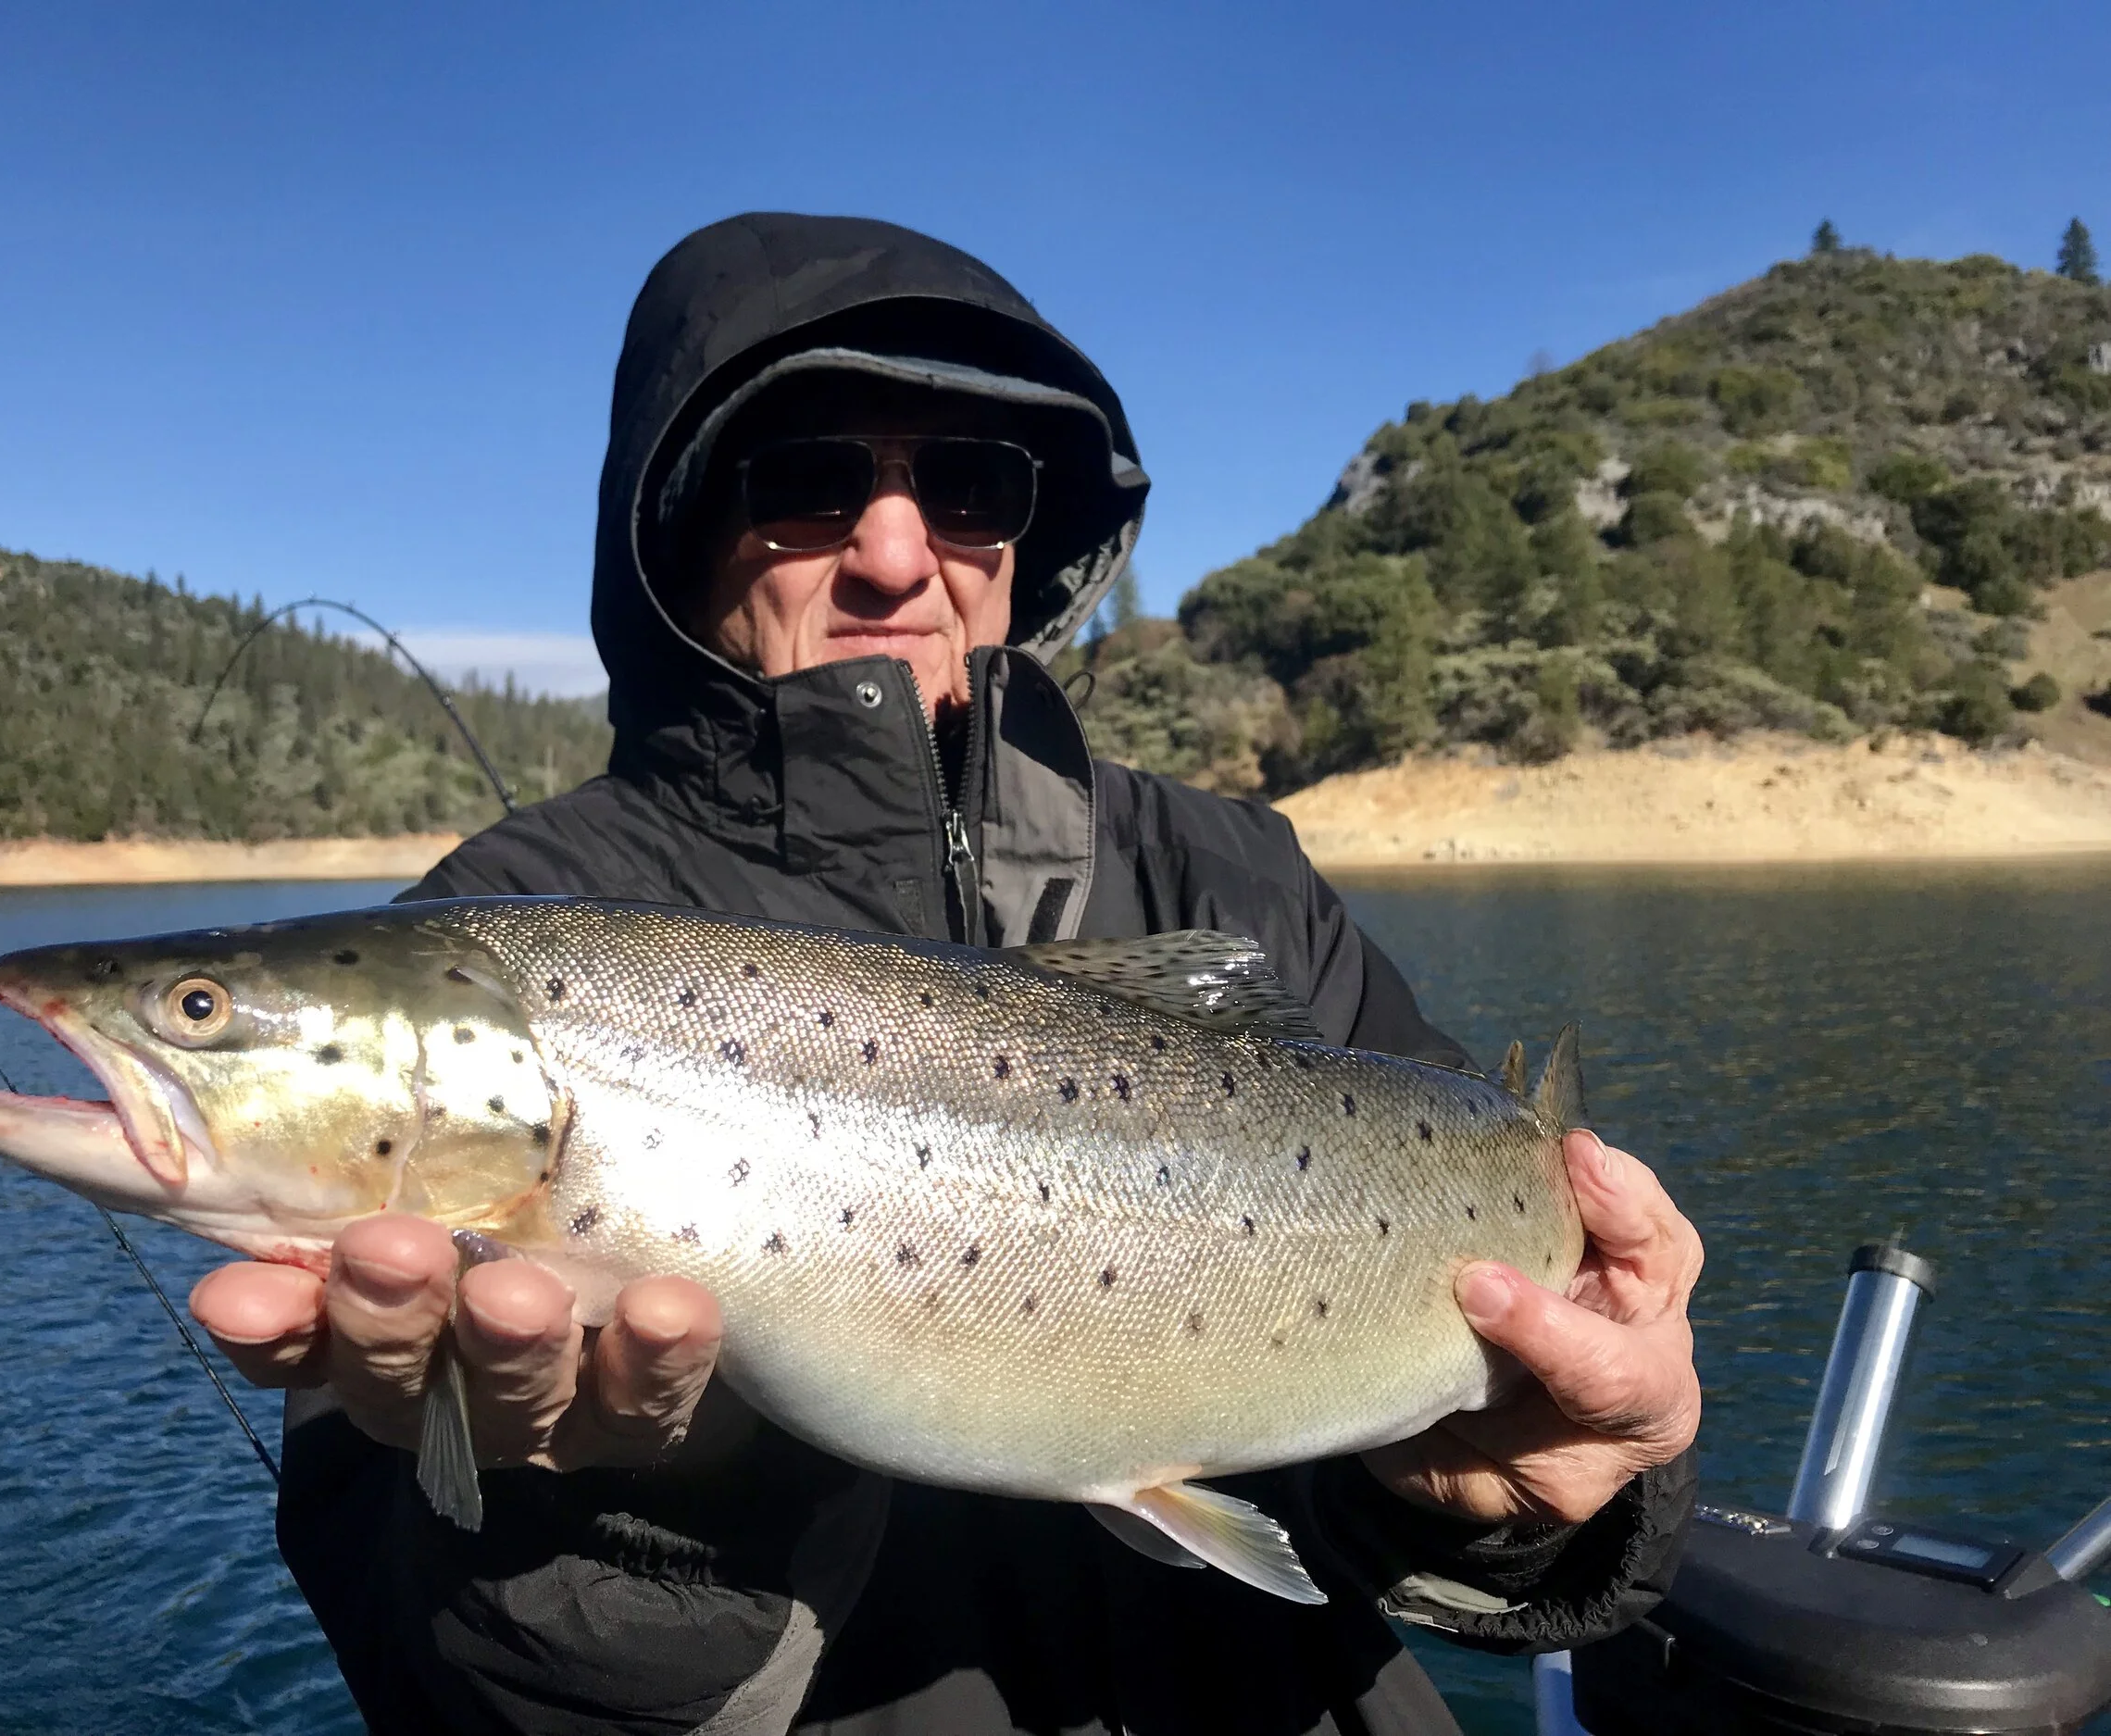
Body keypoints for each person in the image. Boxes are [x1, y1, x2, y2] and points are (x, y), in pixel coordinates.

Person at [191, 212, 1704, 1736]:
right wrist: (637, 1527)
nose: (898, 552)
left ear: (1027, 538)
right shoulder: (503, 933)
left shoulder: (1232, 873)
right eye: (807, 480)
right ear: (680, 527)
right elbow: (418, 1650)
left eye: (970, 486)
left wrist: (1528, 1500)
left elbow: (1500, 1488)